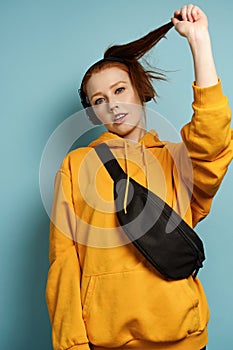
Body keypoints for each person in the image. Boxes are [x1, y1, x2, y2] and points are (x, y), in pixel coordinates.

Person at [46, 4, 233, 350]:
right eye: (98, 100)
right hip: (107, 341)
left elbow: (214, 141)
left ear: (140, 89)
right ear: (91, 113)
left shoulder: (178, 158)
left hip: (185, 338)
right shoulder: (75, 165)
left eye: (120, 91)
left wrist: (199, 42)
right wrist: (71, 344)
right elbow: (64, 260)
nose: (112, 105)